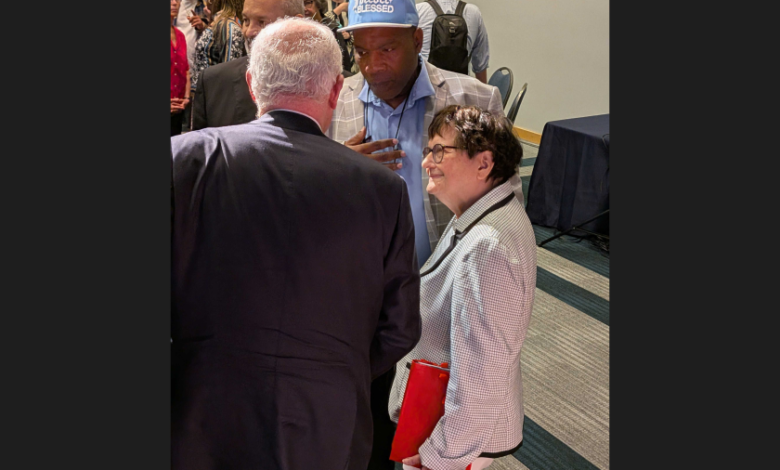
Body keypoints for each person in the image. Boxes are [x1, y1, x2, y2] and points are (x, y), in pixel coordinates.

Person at [171, 17, 421, 470]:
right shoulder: (383, 189)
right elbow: (401, 326)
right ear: (334, 89)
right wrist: (335, 370)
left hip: (200, 409)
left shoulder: (184, 158)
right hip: (329, 417)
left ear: (252, 85)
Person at [326, 3, 518, 468]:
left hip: (440, 298)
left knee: (429, 423)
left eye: (388, 48)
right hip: (363, 300)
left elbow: (504, 206)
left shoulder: (475, 99)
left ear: (417, 40)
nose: (373, 65)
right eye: (362, 51)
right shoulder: (334, 101)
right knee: (365, 420)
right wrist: (339, 170)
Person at [390, 105, 536, 470]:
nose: (427, 162)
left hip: (456, 443)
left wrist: (443, 456)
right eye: (429, 150)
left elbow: (482, 375)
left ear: (483, 164)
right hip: (451, 426)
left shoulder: (488, 245)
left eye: (441, 151)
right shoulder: (481, 215)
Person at [190, 0, 305, 131]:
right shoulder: (214, 83)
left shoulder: (321, 82)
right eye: (246, 21)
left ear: (294, 23)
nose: (249, 32)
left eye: (262, 22)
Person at [416, 0, 491, 83]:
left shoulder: (418, 11)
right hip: (462, 91)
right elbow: (481, 66)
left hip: (427, 90)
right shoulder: (474, 13)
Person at [191, 0, 246, 93]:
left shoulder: (229, 25)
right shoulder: (220, 20)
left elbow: (230, 73)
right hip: (203, 95)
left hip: (214, 96)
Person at [305, 0, 354, 77]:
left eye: (307, 3)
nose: (304, 8)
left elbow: (344, 63)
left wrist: (349, 37)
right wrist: (338, 10)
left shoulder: (332, 28)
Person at [171, 0, 192, 136]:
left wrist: (186, 98)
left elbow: (185, 70)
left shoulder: (180, 35)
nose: (174, 3)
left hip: (178, 109)